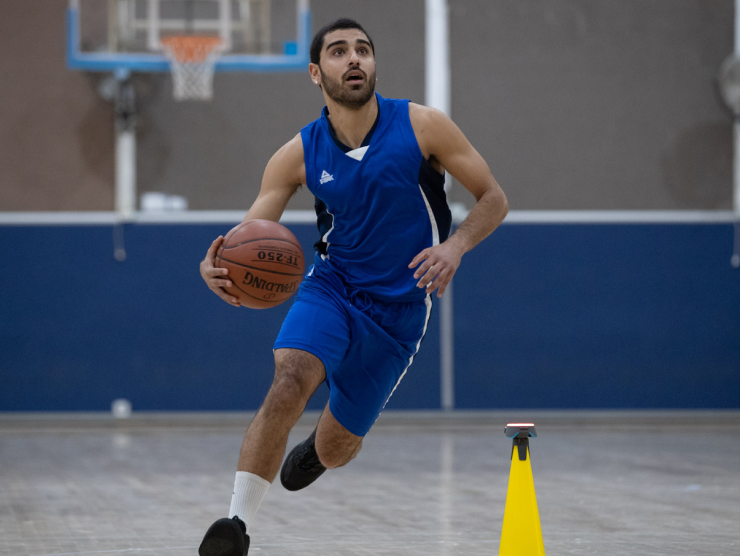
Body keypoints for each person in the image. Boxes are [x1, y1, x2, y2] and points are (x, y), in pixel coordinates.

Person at [197, 17, 508, 556]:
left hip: (399, 312)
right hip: (332, 287)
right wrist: (218, 262)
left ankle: (319, 452)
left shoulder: (422, 125)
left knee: (340, 446)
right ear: (318, 73)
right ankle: (235, 524)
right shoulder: (297, 154)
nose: (355, 59)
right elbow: (249, 232)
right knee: (290, 380)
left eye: (363, 49)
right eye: (339, 52)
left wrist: (454, 246)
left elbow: (493, 198)